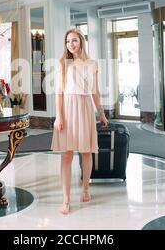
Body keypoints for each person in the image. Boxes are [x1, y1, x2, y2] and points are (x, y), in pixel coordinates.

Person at [51, 28, 108, 215]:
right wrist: (59, 116)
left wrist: (101, 113)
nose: (71, 44)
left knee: (86, 152)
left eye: (74, 40)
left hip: (84, 108)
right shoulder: (62, 64)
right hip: (67, 109)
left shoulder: (92, 64)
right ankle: (66, 199)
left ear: (81, 41)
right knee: (66, 155)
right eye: (68, 41)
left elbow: (95, 92)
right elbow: (58, 93)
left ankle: (85, 189)